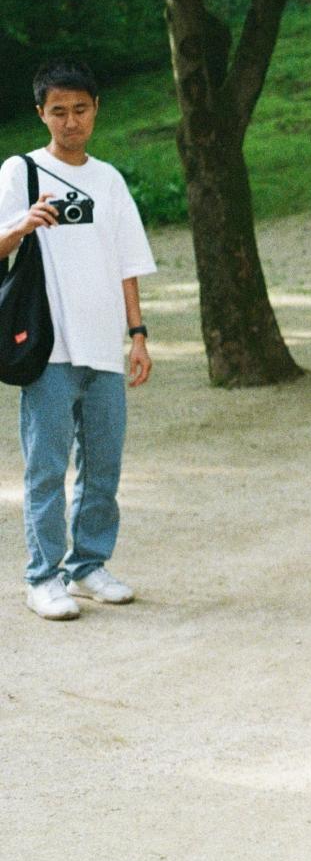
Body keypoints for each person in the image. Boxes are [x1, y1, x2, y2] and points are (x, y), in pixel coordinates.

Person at [0, 61, 157, 621]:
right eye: (59, 111)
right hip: (49, 347)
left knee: (104, 466)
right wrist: (20, 226)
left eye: (81, 110)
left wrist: (137, 334)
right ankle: (42, 578)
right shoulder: (20, 172)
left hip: (104, 345)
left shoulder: (109, 180)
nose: (71, 122)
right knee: (46, 466)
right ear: (41, 113)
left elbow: (128, 264)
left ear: (96, 110)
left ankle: (87, 565)